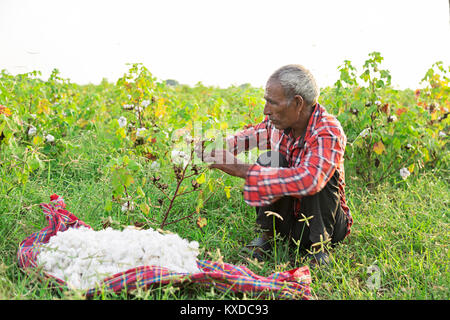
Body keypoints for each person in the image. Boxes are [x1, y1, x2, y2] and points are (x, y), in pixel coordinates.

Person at [198, 64, 353, 266]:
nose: (266, 110)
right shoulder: (278, 124)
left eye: (273, 102)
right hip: (289, 221)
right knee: (272, 160)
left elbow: (310, 181)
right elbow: (249, 137)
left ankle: (318, 248)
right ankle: (267, 237)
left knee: (321, 176)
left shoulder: (327, 130)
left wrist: (241, 169)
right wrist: (212, 148)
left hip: (325, 226)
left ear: (297, 103)